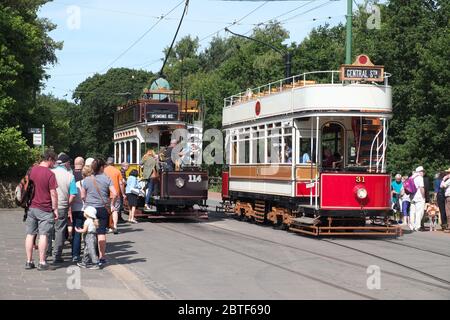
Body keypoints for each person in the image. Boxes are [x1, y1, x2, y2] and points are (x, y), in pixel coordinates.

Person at [25, 150, 58, 271]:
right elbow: (53, 193)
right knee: (43, 235)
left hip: (31, 207)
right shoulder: (50, 174)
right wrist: (55, 209)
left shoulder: (32, 170)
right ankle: (42, 262)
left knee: (30, 234)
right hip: (45, 208)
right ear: (49, 159)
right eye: (54, 161)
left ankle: (29, 261)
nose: (54, 163)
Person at [81, 158, 117, 266]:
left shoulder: (87, 180)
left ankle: (90, 256)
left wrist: (87, 202)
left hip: (90, 210)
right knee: (101, 232)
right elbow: (115, 193)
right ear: (101, 167)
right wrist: (112, 205)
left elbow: (82, 195)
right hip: (102, 208)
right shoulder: (107, 179)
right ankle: (102, 256)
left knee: (90, 233)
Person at [49, 154, 77, 264]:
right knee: (60, 230)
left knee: (47, 229)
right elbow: (73, 194)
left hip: (49, 205)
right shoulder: (70, 176)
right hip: (62, 206)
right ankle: (57, 255)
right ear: (66, 164)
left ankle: (46, 252)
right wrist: (67, 204)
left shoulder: (50, 173)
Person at [104, 157, 126, 234]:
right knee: (115, 210)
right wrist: (123, 193)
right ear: (113, 163)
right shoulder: (117, 171)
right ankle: (115, 226)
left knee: (107, 210)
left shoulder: (103, 171)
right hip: (115, 194)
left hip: (105, 194)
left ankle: (108, 227)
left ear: (107, 162)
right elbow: (121, 183)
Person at [70, 157, 86, 262]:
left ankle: (75, 254)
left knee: (77, 232)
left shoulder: (71, 176)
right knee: (89, 232)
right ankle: (89, 252)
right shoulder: (87, 179)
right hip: (87, 209)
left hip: (75, 208)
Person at [410, 166, 426, 231]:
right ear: (419, 172)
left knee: (412, 211)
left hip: (412, 197)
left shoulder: (411, 177)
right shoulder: (420, 178)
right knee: (419, 212)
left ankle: (412, 226)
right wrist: (423, 196)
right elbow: (421, 188)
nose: (423, 173)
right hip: (419, 197)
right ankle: (417, 226)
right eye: (422, 171)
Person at [440, 168, 450, 233]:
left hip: (449, 197)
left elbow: (442, 186)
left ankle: (449, 227)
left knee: (448, 212)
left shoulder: (449, 180)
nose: (447, 174)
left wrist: (443, 179)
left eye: (448, 173)